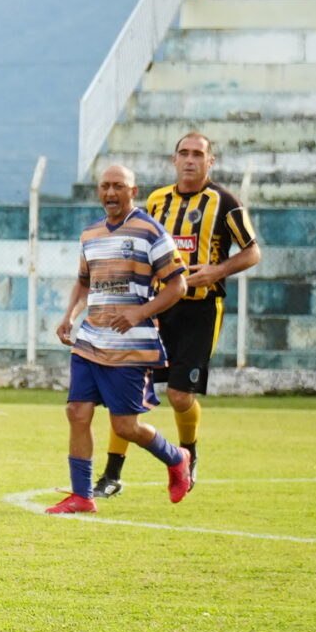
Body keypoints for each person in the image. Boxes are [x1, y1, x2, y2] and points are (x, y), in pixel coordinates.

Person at [95, 130, 259, 495]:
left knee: (180, 396)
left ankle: (188, 456)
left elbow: (252, 252)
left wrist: (216, 270)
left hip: (201, 311)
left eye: (198, 154)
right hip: (156, 307)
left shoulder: (225, 202)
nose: (190, 160)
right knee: (127, 389)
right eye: (183, 153)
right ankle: (112, 475)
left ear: (209, 162)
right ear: (174, 160)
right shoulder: (156, 201)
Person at [50, 162, 193, 515]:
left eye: (118, 186)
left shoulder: (150, 231)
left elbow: (179, 284)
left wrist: (139, 313)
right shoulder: (90, 234)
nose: (110, 193)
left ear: (133, 191)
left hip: (131, 346)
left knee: (125, 427)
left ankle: (177, 457)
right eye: (104, 186)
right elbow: (84, 282)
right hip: (90, 340)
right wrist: (69, 315)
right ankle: (82, 496)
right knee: (76, 412)